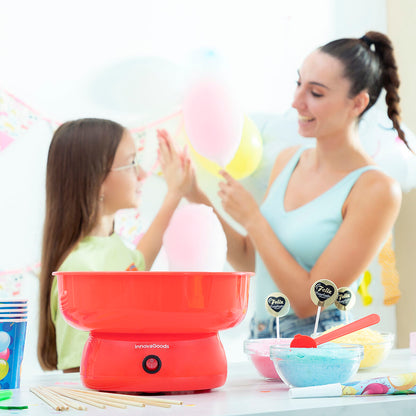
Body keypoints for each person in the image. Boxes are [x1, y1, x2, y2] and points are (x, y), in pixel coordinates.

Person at [186, 31, 408, 338]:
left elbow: (310, 302)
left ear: (357, 103)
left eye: (315, 93)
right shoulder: (288, 160)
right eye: (298, 83)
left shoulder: (376, 189)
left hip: (318, 345)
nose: (296, 102)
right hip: (265, 338)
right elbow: (255, 260)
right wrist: (197, 197)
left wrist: (252, 217)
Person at [38, 119, 193, 372]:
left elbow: (137, 265)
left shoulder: (109, 247)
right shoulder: (81, 270)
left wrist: (174, 193)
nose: (142, 174)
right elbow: (80, 373)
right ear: (98, 179)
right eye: (132, 163)